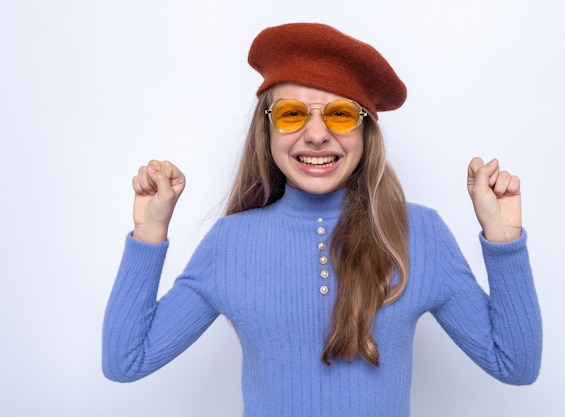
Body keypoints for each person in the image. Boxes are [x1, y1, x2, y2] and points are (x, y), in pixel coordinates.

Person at [102, 22, 542, 416]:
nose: (315, 134)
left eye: (340, 114)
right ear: (267, 130)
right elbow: (126, 361)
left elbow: (515, 365)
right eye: (292, 113)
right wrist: (149, 233)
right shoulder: (230, 242)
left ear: (365, 132)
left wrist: (504, 241)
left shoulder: (419, 233)